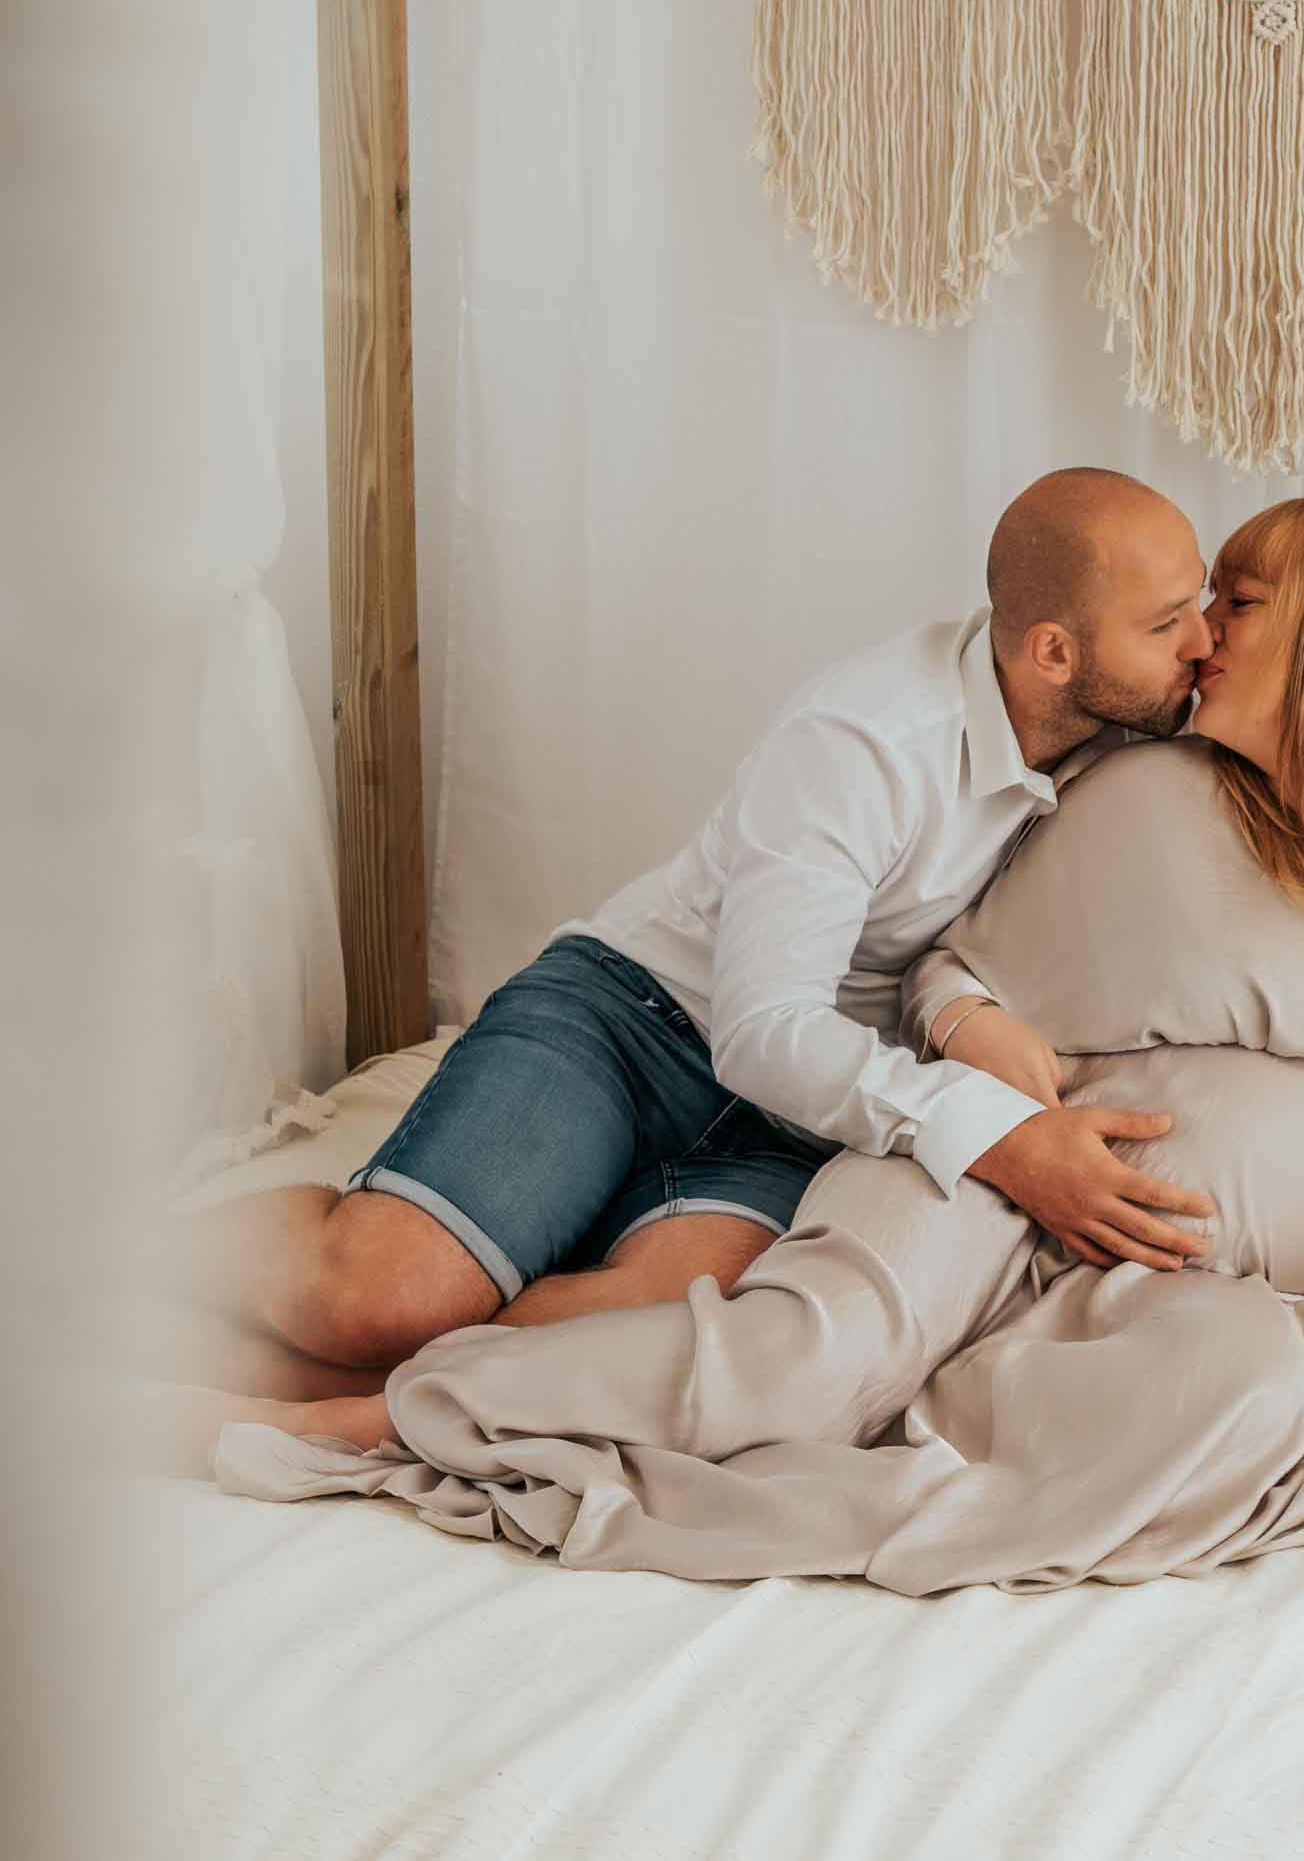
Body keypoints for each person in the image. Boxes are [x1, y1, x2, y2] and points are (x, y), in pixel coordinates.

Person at [202, 494, 1304, 1598]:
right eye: (1189, 610)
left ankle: (395, 1406)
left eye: (1235, 604)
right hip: (821, 1094)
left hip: (1088, 1215)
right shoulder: (1085, 782)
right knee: (675, 1348)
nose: (1203, 633)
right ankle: (305, 1378)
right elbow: (910, 982)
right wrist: (990, 1092)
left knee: (1244, 1394)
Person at [131, 467, 1220, 1425]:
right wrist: (994, 1136)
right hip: (632, 1020)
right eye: (1170, 622)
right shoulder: (864, 742)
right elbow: (762, 1030)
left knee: (630, 1342)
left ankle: (263, 1356)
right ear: (1053, 651)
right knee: (382, 1301)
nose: (1204, 643)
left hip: (802, 1117)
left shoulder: (1109, 749)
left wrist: (953, 1011)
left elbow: (955, 937)